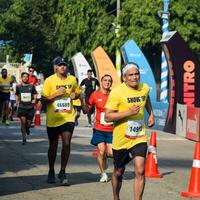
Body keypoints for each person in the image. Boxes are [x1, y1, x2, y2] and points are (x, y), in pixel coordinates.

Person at [105, 63, 155, 200]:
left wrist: (151, 114)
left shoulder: (144, 88)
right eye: (131, 75)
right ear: (124, 78)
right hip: (121, 139)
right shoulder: (117, 92)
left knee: (140, 169)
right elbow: (108, 116)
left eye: (136, 74)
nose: (134, 77)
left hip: (139, 136)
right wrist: (128, 112)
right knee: (119, 171)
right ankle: (116, 197)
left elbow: (146, 98)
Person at [42, 56, 80, 186]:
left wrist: (76, 95)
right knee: (53, 146)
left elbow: (78, 92)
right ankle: (51, 170)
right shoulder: (49, 81)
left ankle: (63, 171)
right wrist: (55, 94)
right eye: (60, 65)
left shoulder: (72, 79)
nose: (62, 67)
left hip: (68, 117)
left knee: (67, 143)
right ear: (55, 67)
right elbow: (43, 100)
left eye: (64, 64)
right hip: (53, 118)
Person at [88, 74, 113, 183]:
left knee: (111, 153)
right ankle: (103, 174)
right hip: (99, 128)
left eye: (109, 81)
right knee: (101, 151)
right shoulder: (95, 95)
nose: (107, 82)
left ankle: (106, 158)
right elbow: (88, 107)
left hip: (112, 129)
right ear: (101, 82)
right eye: (105, 80)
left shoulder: (114, 95)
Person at [15, 72, 37, 145]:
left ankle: (27, 128)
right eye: (24, 77)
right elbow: (17, 94)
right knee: (23, 122)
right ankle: (24, 138)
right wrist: (17, 102)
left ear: (28, 78)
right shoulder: (18, 86)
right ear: (21, 78)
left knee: (28, 124)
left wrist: (34, 99)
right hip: (22, 106)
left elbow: (35, 93)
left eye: (26, 77)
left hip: (30, 107)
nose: (25, 78)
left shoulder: (31, 86)